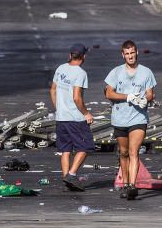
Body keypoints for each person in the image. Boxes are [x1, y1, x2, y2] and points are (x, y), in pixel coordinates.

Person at [104, 40, 156, 200]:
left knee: (134, 152)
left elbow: (150, 93)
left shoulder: (146, 72)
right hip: (120, 118)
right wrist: (128, 97)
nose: (130, 56)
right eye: (127, 54)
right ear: (123, 55)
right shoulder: (116, 72)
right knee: (124, 152)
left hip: (138, 118)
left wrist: (145, 99)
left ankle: (133, 186)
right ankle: (126, 184)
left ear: (137, 52)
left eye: (132, 53)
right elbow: (109, 93)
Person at [50, 44, 95, 191]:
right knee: (86, 146)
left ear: (70, 55)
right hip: (75, 119)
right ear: (84, 57)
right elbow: (77, 97)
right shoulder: (80, 73)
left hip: (61, 118)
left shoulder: (61, 68)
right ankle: (71, 174)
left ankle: (67, 181)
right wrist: (86, 113)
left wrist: (59, 108)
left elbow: (53, 90)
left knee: (66, 150)